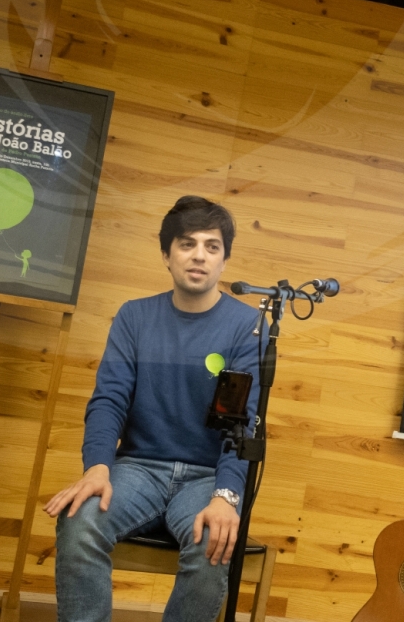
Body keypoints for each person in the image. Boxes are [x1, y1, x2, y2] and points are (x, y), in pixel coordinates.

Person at [45, 196, 263, 621]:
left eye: (212, 246)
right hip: (138, 469)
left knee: (211, 542)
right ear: (167, 255)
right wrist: (97, 467)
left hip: (207, 477)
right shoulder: (134, 317)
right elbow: (109, 399)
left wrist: (226, 495)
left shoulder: (247, 325)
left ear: (224, 259)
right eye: (186, 244)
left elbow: (243, 423)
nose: (199, 255)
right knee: (79, 522)